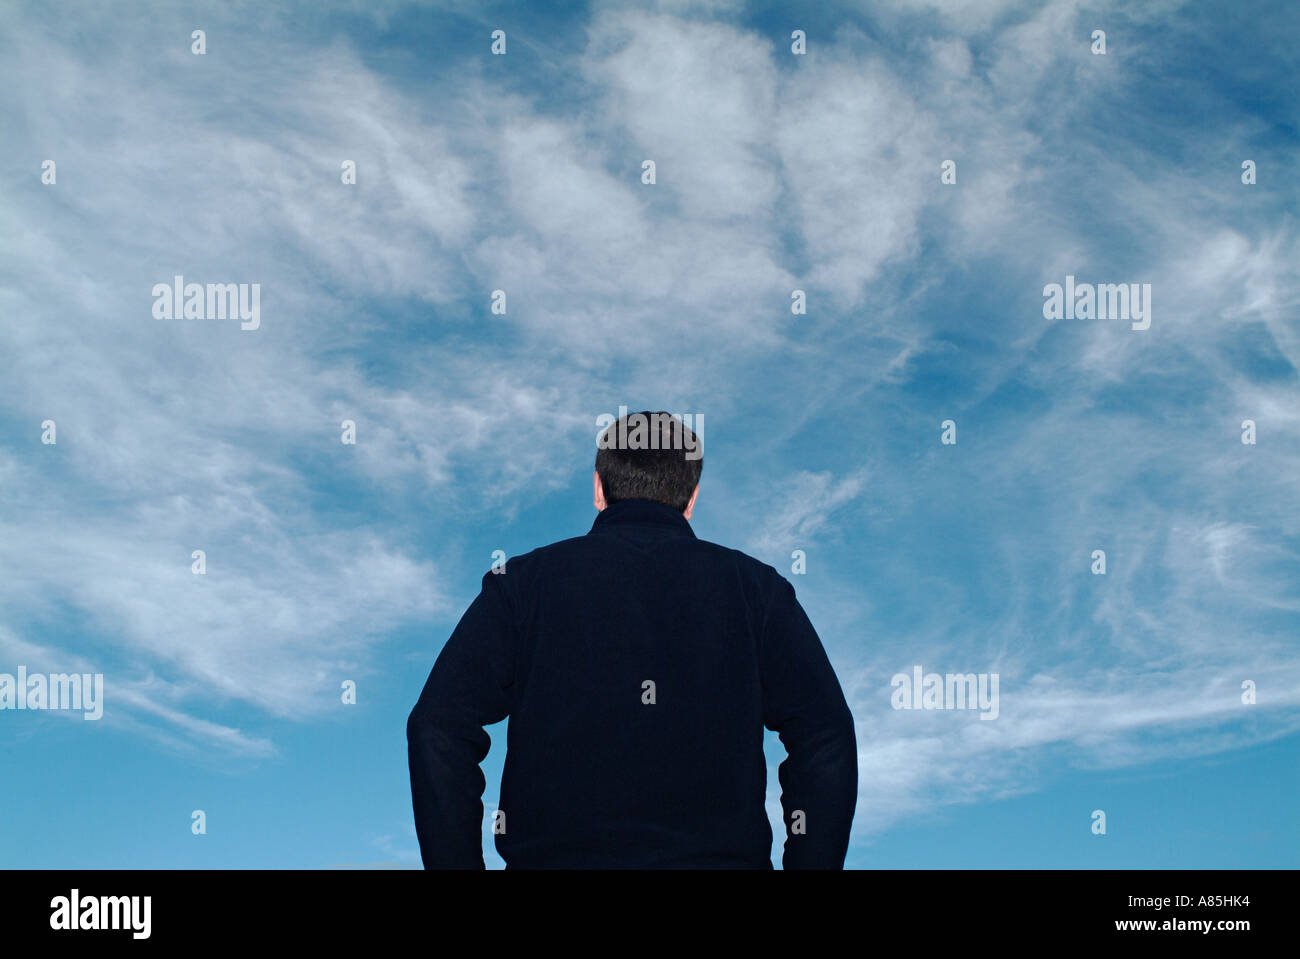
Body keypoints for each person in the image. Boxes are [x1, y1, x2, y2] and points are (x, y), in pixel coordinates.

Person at [406, 410, 857, 868]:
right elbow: (827, 735)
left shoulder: (520, 583)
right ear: (692, 498)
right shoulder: (758, 589)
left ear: (598, 488)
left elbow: (437, 726)